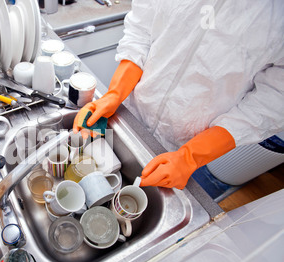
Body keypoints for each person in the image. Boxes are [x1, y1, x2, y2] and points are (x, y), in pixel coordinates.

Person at [73, 0, 284, 189]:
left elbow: (273, 100)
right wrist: (114, 94)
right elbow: (141, 31)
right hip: (130, 113)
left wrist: (189, 158)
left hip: (193, 143)